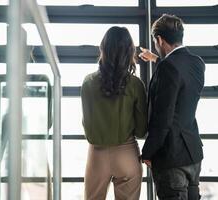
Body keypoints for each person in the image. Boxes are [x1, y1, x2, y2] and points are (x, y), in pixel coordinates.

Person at [140, 14, 205, 200]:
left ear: (159, 39)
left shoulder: (167, 67)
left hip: (171, 156)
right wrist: (156, 59)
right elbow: (179, 77)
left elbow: (163, 118)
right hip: (192, 153)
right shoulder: (197, 63)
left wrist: (148, 152)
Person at [81, 26, 147, 200]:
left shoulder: (88, 82)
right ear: (130, 52)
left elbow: (87, 125)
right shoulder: (136, 84)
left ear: (103, 49)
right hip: (127, 155)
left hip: (97, 156)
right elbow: (141, 130)